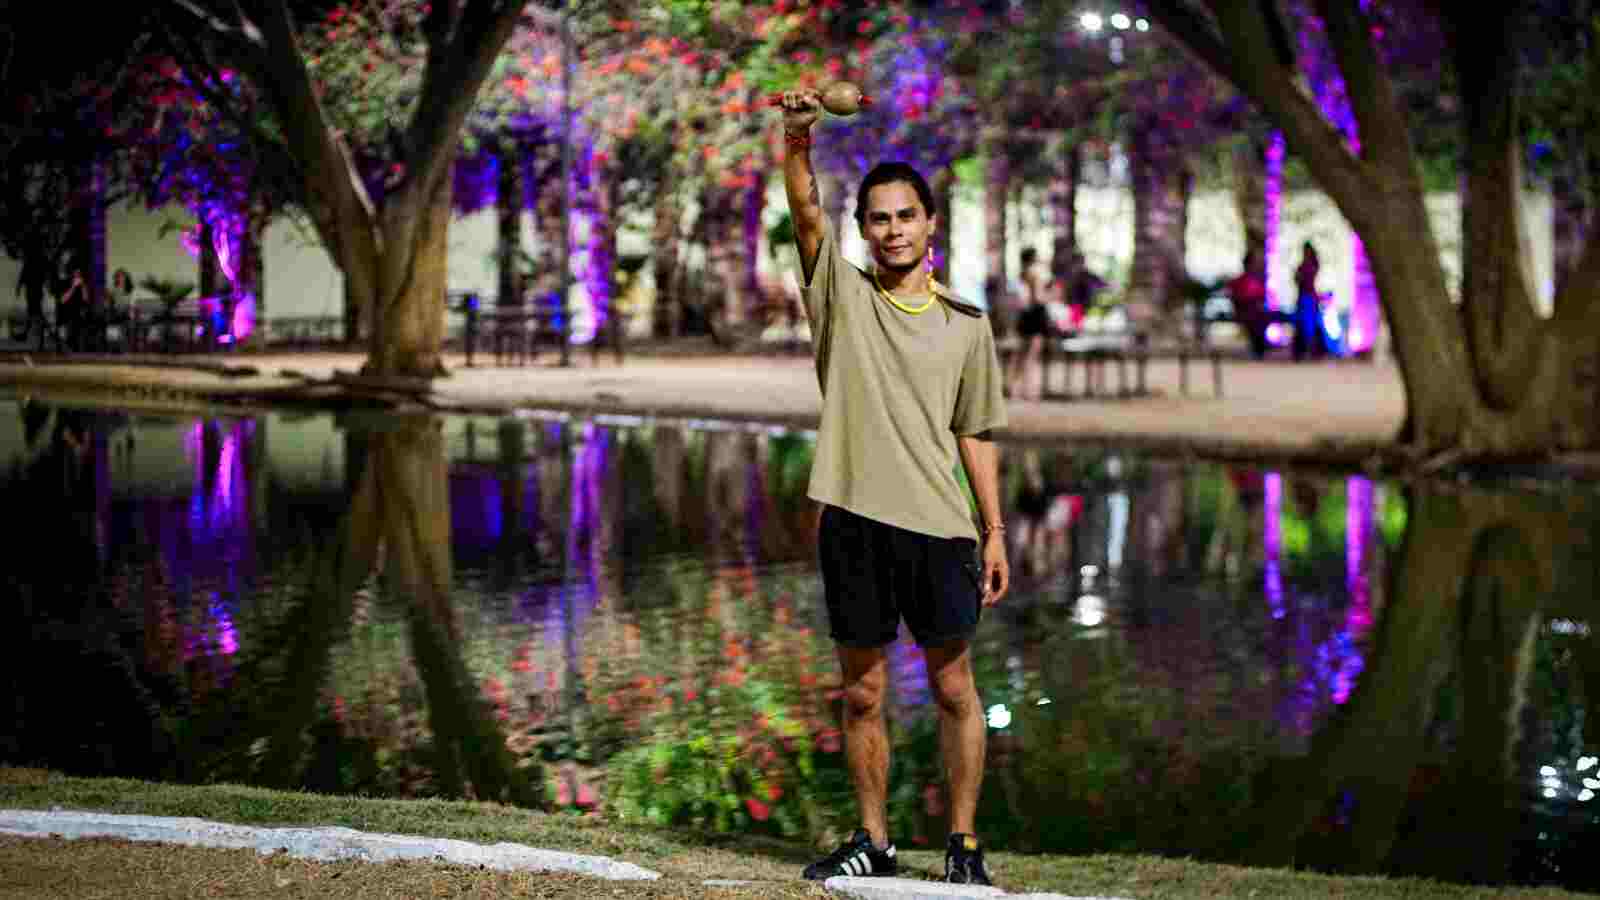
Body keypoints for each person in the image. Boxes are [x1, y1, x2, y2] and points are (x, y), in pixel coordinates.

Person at [777, 88, 1010, 886]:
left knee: (954, 688)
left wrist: (995, 531)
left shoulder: (966, 323)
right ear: (864, 230)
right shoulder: (840, 297)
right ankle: (873, 842)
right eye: (877, 219)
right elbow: (805, 213)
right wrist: (798, 139)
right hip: (852, 521)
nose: (893, 229)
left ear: (930, 223)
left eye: (906, 215)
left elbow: (975, 432)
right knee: (862, 693)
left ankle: (964, 846)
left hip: (940, 529)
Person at [1006, 247, 1049, 400]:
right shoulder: (1036, 274)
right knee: (1032, 355)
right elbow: (1038, 297)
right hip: (1036, 316)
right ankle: (1029, 390)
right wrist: (1049, 296)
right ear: (1033, 258)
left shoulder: (1020, 275)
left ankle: (1014, 389)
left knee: (1020, 354)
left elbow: (1019, 299)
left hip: (1024, 316)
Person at [1227, 247, 1271, 359]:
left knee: (1263, 317)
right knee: (1256, 319)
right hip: (1247, 312)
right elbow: (1235, 297)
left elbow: (1262, 297)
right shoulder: (1240, 281)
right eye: (1254, 263)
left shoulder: (1258, 280)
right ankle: (1258, 349)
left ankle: (1260, 348)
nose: (1256, 265)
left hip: (1257, 312)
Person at [1292, 242, 1326, 361]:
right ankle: (1305, 350)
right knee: (1305, 324)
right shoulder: (1306, 265)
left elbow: (1303, 279)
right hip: (1305, 297)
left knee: (1310, 324)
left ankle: (1312, 350)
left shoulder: (1309, 265)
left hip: (1308, 297)